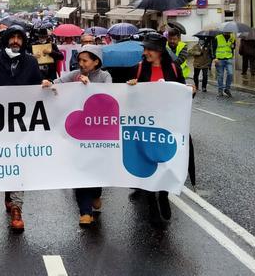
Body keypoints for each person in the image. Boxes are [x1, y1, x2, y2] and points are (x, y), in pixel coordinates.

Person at [126, 32, 194, 225]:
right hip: (146, 125)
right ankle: (151, 205)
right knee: (148, 164)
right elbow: (128, 98)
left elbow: (182, 95)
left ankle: (163, 195)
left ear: (159, 52)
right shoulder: (138, 69)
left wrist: (190, 91)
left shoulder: (172, 68)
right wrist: (131, 87)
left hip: (168, 125)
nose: (145, 52)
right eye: (145, 49)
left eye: (149, 49)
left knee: (165, 161)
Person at [0, 25, 43, 232]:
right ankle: (9, 192)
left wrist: (44, 85)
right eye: (12, 37)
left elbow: (38, 87)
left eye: (19, 38)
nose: (15, 41)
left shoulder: (31, 62)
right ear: (6, 40)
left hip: (23, 125)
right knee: (5, 161)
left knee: (19, 163)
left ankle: (17, 208)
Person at [41, 45, 110, 227]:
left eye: (85, 60)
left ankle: (95, 194)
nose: (81, 64)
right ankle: (85, 212)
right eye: (79, 60)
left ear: (96, 62)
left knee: (96, 169)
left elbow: (109, 97)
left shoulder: (105, 77)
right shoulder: (74, 75)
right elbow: (58, 83)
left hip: (98, 132)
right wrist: (50, 84)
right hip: (78, 132)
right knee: (80, 170)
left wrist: (90, 87)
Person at [212, 31, 236, 97]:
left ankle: (227, 89)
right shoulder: (217, 38)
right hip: (219, 59)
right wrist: (214, 58)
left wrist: (232, 46)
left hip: (228, 58)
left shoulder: (232, 38)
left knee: (230, 74)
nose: (227, 32)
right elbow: (213, 48)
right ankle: (220, 91)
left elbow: (233, 47)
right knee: (220, 75)